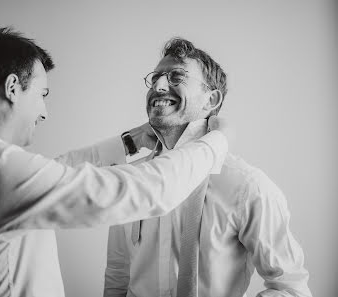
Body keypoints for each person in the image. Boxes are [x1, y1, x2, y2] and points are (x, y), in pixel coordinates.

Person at [0, 28, 230, 297]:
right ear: (12, 88)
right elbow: (147, 190)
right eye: (42, 94)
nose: (44, 112)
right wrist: (213, 143)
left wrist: (130, 143)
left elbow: (56, 172)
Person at [104, 38, 312, 297]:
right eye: (155, 77)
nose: (158, 86)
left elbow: (291, 288)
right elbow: (118, 276)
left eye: (176, 77)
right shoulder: (129, 180)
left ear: (210, 99)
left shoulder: (247, 187)